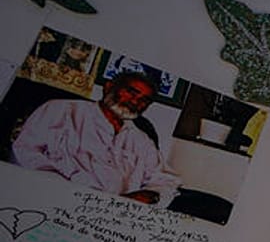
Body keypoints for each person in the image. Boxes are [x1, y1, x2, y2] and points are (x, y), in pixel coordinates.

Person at [10, 71, 179, 204]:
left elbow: (167, 180)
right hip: (55, 199)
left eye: (144, 100)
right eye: (131, 92)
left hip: (113, 217)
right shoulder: (61, 110)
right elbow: (24, 152)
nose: (136, 102)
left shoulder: (142, 141)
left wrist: (152, 195)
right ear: (108, 87)